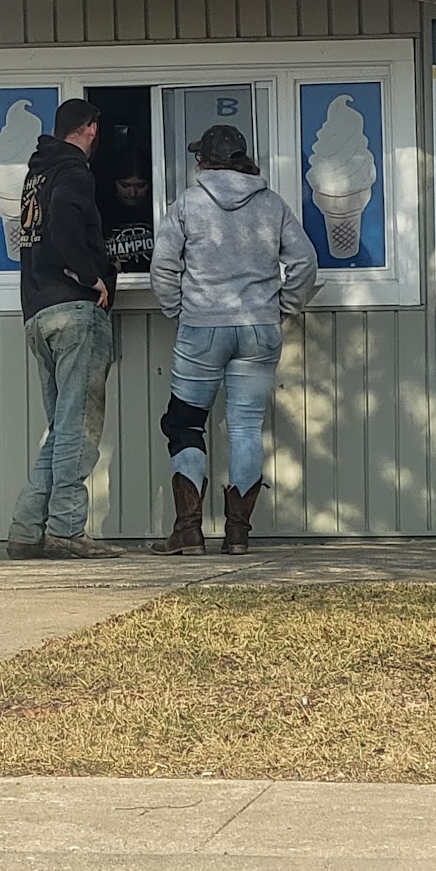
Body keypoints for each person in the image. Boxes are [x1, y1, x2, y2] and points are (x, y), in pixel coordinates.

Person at [149, 123, 317, 555]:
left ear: (204, 160)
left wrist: (178, 311)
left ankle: (188, 530)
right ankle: (238, 532)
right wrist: (283, 308)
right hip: (259, 329)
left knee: (185, 423)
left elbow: (163, 267)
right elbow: (304, 262)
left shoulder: (188, 203)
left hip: (202, 328)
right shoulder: (272, 204)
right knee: (245, 429)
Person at [6, 98, 121, 560]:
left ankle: (27, 527)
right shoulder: (74, 172)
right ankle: (68, 530)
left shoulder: (38, 174)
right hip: (74, 312)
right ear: (90, 128)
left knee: (61, 428)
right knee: (78, 428)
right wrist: (90, 275)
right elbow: (64, 226)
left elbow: (40, 229)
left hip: (37, 310)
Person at [98, 149, 154, 274]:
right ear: (114, 183)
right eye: (125, 185)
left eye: (140, 186)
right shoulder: (101, 212)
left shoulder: (159, 210)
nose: (132, 193)